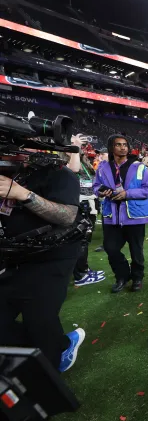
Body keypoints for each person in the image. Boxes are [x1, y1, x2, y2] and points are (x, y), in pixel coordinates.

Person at [0, 146, 86, 372]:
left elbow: (67, 216)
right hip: (15, 257)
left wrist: (22, 194)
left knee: (38, 320)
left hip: (52, 257)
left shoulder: (59, 173)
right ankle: (56, 346)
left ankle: (51, 363)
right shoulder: (12, 173)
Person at [93, 135, 148, 293]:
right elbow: (96, 186)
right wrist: (101, 192)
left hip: (134, 215)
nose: (123, 147)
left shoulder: (139, 166)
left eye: (125, 145)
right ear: (111, 148)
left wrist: (128, 194)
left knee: (136, 251)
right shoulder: (102, 167)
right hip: (111, 215)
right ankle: (122, 276)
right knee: (110, 248)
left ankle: (137, 278)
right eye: (118, 145)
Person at [67, 134, 104, 286]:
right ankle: (80, 274)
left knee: (85, 239)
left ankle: (84, 269)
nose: (80, 148)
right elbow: (73, 170)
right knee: (81, 239)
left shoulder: (84, 161)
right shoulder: (67, 160)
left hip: (90, 202)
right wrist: (74, 147)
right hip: (80, 203)